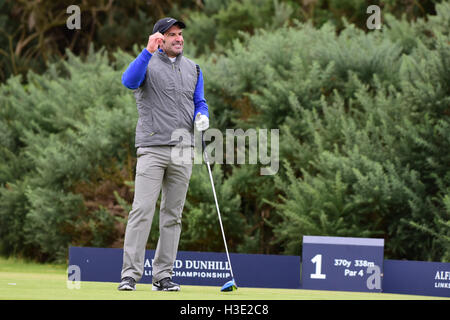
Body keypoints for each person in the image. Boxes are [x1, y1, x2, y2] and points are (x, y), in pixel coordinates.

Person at [117, 17, 209, 291]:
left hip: (183, 151)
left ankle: (162, 276)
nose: (178, 38)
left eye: (180, 34)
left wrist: (203, 115)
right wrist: (146, 51)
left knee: (173, 215)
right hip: (152, 148)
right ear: (159, 38)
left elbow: (199, 101)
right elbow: (128, 81)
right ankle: (130, 276)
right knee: (142, 210)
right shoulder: (147, 63)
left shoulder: (194, 68)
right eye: (172, 34)